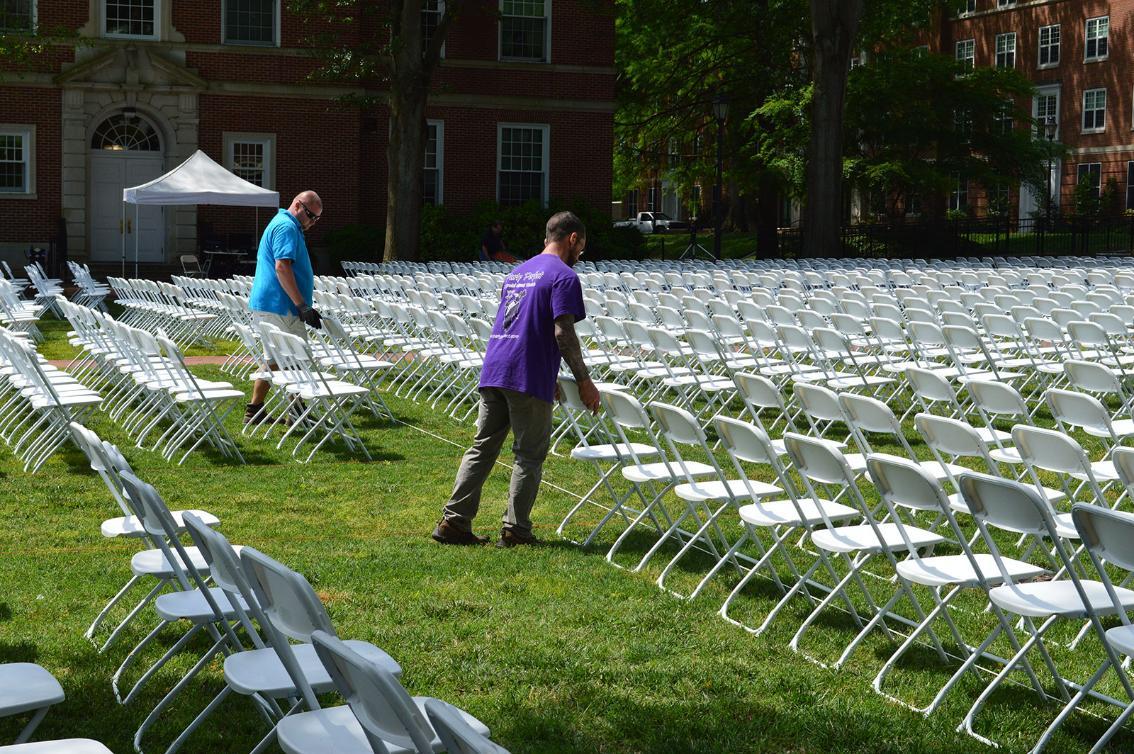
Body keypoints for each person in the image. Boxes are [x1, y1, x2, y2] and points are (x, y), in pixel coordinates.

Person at [434, 211, 601, 547]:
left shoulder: (518, 272)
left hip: (496, 367)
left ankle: (454, 521)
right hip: (524, 373)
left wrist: (548, 372)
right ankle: (516, 530)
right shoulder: (564, 276)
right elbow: (562, 331)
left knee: (482, 447)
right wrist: (584, 380)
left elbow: (521, 323)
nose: (580, 254)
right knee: (529, 454)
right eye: (581, 246)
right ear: (572, 239)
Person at [244, 190, 324, 425]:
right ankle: (297, 412)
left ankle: (255, 411)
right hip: (282, 306)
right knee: (297, 357)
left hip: (272, 305)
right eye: (310, 215)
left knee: (274, 359)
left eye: (316, 218)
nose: (312, 222)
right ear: (298, 205)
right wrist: (301, 305)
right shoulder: (286, 227)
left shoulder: (284, 224)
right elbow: (282, 267)